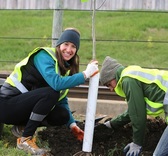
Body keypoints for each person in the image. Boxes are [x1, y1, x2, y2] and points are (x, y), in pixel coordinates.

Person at [0, 27, 99, 155]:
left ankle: (22, 126)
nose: (69, 50)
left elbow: (61, 100)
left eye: (73, 46)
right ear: (59, 45)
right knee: (51, 93)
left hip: (19, 108)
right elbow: (56, 85)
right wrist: (85, 75)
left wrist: (72, 126)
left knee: (62, 115)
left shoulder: (62, 69)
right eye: (66, 44)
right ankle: (25, 138)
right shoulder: (44, 56)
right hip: (6, 105)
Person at [98, 56, 168, 156]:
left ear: (113, 76)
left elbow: (137, 114)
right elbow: (133, 111)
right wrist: (111, 124)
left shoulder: (128, 80)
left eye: (109, 84)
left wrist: (137, 143)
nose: (111, 89)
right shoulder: (131, 75)